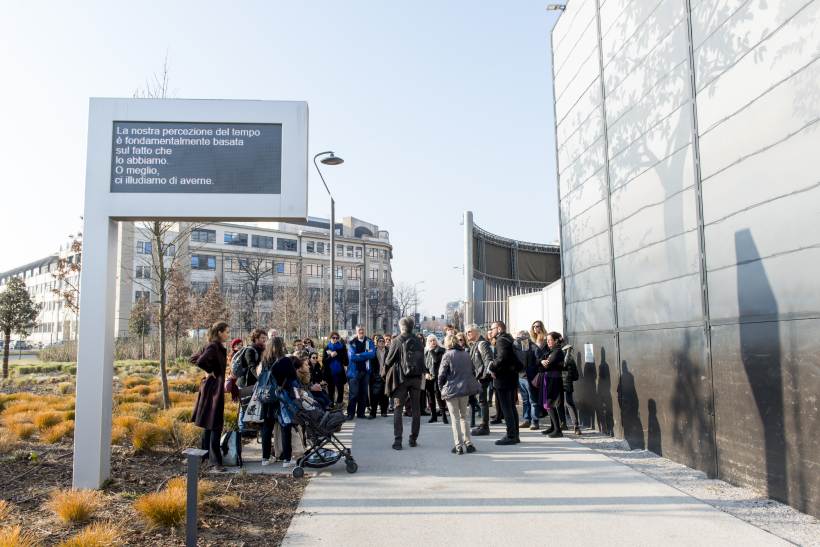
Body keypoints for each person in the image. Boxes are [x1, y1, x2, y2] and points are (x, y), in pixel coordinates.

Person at [192, 321, 230, 471]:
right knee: (215, 424)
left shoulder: (213, 346)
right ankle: (215, 462)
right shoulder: (214, 346)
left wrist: (208, 371)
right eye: (226, 331)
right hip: (213, 389)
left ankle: (205, 457)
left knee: (209, 423)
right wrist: (210, 371)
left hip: (212, 387)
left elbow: (194, 358)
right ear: (220, 332)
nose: (228, 334)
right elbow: (199, 360)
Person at [385, 316, 424, 450]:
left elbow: (388, 361)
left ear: (401, 327)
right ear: (412, 327)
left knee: (398, 408)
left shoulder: (397, 341)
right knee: (416, 409)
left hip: (401, 379)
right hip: (416, 379)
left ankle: (398, 441)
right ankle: (413, 439)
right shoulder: (419, 341)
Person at [438, 333, 481, 454]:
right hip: (464, 389)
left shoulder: (447, 355)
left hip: (452, 389)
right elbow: (472, 370)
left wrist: (441, 388)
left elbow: (441, 375)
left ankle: (458, 445)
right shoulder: (466, 354)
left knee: (455, 418)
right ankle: (468, 442)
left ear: (447, 343)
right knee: (463, 417)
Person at [260, 336, 299, 468]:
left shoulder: (265, 360)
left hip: (267, 397)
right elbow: (293, 378)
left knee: (267, 427)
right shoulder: (286, 361)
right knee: (285, 426)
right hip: (282, 397)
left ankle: (265, 458)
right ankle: (287, 459)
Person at [488, 320, 522, 445]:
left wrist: (492, 368)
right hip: (511, 377)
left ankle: (511, 435)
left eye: (492, 328)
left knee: (506, 408)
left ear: (499, 328)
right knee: (511, 407)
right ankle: (514, 434)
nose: (491, 331)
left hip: (503, 378)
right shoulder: (509, 339)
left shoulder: (501, 340)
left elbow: (501, 358)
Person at [231, 328, 267, 434]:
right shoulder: (250, 350)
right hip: (245, 383)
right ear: (255, 339)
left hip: (255, 383)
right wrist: (260, 377)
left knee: (253, 406)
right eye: (262, 338)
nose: (264, 340)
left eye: (265, 338)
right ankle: (242, 429)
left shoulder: (262, 349)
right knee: (244, 406)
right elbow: (252, 367)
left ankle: (251, 428)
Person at [466, 324, 494, 436]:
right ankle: (483, 424)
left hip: (482, 378)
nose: (467, 334)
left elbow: (488, 360)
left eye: (469, 332)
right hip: (478, 378)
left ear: (477, 332)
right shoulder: (475, 344)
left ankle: (485, 426)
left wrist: (483, 376)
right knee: (481, 401)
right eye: (466, 332)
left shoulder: (482, 343)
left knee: (483, 401)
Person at [540, 331, 565, 438]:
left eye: (550, 340)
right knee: (547, 403)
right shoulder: (551, 351)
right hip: (549, 378)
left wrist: (543, 362)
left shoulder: (558, 351)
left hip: (553, 379)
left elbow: (548, 365)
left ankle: (558, 430)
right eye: (547, 340)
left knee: (549, 403)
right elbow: (542, 360)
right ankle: (553, 427)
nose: (548, 342)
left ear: (556, 341)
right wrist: (542, 361)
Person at [347, 325, 376, 420]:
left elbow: (372, 354)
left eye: (362, 330)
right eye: (359, 330)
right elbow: (353, 357)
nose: (361, 332)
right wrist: (365, 355)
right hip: (354, 372)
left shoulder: (369, 341)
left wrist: (360, 354)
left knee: (363, 393)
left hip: (365, 372)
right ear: (356, 331)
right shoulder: (352, 343)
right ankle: (350, 413)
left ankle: (361, 413)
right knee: (354, 394)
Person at [514, 330, 536, 429]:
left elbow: (531, 361)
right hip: (521, 376)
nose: (518, 340)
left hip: (529, 376)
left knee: (532, 400)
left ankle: (534, 421)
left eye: (520, 338)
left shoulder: (531, 346)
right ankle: (527, 419)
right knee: (525, 400)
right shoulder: (517, 346)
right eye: (518, 338)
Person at [558, 339, 582, 435]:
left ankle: (563, 424)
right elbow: (576, 376)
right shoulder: (571, 359)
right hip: (567, 385)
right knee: (569, 404)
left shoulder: (556, 356)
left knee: (559, 404)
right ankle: (576, 426)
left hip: (557, 383)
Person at [424, 335, 447, 424]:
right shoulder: (426, 351)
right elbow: (424, 364)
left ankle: (444, 415)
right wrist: (426, 373)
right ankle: (433, 416)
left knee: (439, 396)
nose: (432, 342)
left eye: (434, 340)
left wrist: (431, 351)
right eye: (430, 341)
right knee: (430, 397)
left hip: (438, 376)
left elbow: (436, 360)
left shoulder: (441, 350)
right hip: (429, 377)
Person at [322, 332, 348, 407]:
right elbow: (324, 362)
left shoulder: (342, 347)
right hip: (330, 373)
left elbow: (346, 362)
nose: (335, 339)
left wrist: (338, 354)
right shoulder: (327, 347)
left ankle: (339, 406)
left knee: (340, 391)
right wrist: (331, 356)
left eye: (337, 338)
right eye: (333, 338)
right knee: (331, 391)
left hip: (339, 372)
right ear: (330, 338)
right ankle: (331, 407)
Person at [369, 335, 389, 418]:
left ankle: (384, 411)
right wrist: (374, 374)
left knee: (385, 395)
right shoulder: (373, 352)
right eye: (380, 341)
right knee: (374, 395)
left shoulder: (388, 351)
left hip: (385, 376)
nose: (381, 343)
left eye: (383, 341)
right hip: (376, 375)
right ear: (377, 343)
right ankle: (373, 412)